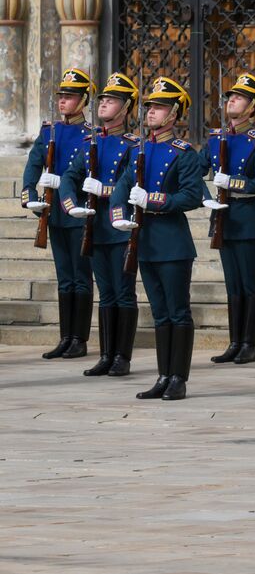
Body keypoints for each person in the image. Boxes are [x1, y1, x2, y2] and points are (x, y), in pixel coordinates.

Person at [110, 77, 205, 401]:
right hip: (144, 242)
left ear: (174, 114)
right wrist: (118, 215)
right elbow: (122, 188)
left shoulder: (183, 153)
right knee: (160, 313)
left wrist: (152, 200)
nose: (151, 111)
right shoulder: (139, 148)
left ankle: (178, 377)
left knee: (178, 311)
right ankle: (163, 375)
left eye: (159, 107)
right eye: (149, 106)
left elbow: (192, 196)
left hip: (172, 244)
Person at [60, 72, 141, 376]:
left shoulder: (134, 145)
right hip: (95, 226)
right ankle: (106, 354)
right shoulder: (90, 141)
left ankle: (122, 356)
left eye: (112, 100)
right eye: (103, 99)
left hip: (120, 228)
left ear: (126, 107)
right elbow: (71, 175)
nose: (104, 103)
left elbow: (129, 180)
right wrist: (71, 203)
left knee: (123, 292)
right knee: (106, 292)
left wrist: (104, 191)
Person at [22, 68, 96, 360]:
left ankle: (80, 338)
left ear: (83, 101)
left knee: (81, 276)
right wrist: (30, 195)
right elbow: (33, 163)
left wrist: (63, 179)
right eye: (62, 96)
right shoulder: (48, 131)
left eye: (70, 97)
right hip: (54, 213)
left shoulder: (90, 135)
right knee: (65, 277)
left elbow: (87, 169)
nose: (63, 101)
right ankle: (65, 337)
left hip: (77, 211)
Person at [202, 73, 255, 366]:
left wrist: (234, 183)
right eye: (230, 96)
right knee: (232, 284)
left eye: (240, 97)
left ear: (252, 106)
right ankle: (234, 341)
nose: (231, 99)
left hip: (246, 219)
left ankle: (248, 343)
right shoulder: (215, 138)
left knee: (248, 284)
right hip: (223, 219)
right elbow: (194, 170)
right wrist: (203, 195)